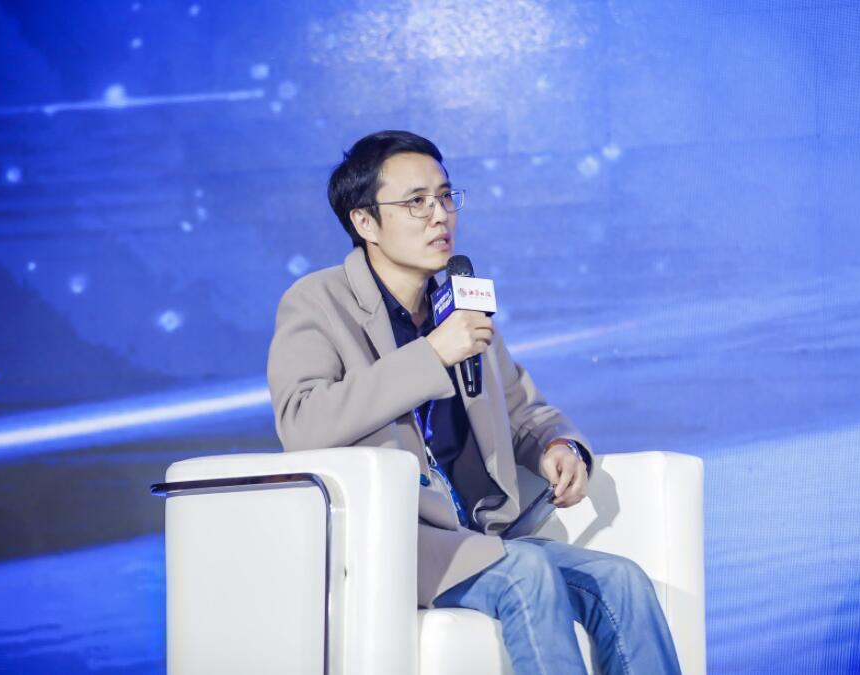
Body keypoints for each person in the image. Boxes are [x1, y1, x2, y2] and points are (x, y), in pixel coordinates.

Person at [267, 130, 681, 674]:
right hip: (397, 539)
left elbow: (522, 411)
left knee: (622, 580)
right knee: (527, 575)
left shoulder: (460, 307)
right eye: (416, 202)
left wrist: (557, 445)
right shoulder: (318, 301)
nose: (439, 216)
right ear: (364, 222)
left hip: (481, 537)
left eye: (445, 197)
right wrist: (431, 356)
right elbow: (302, 423)